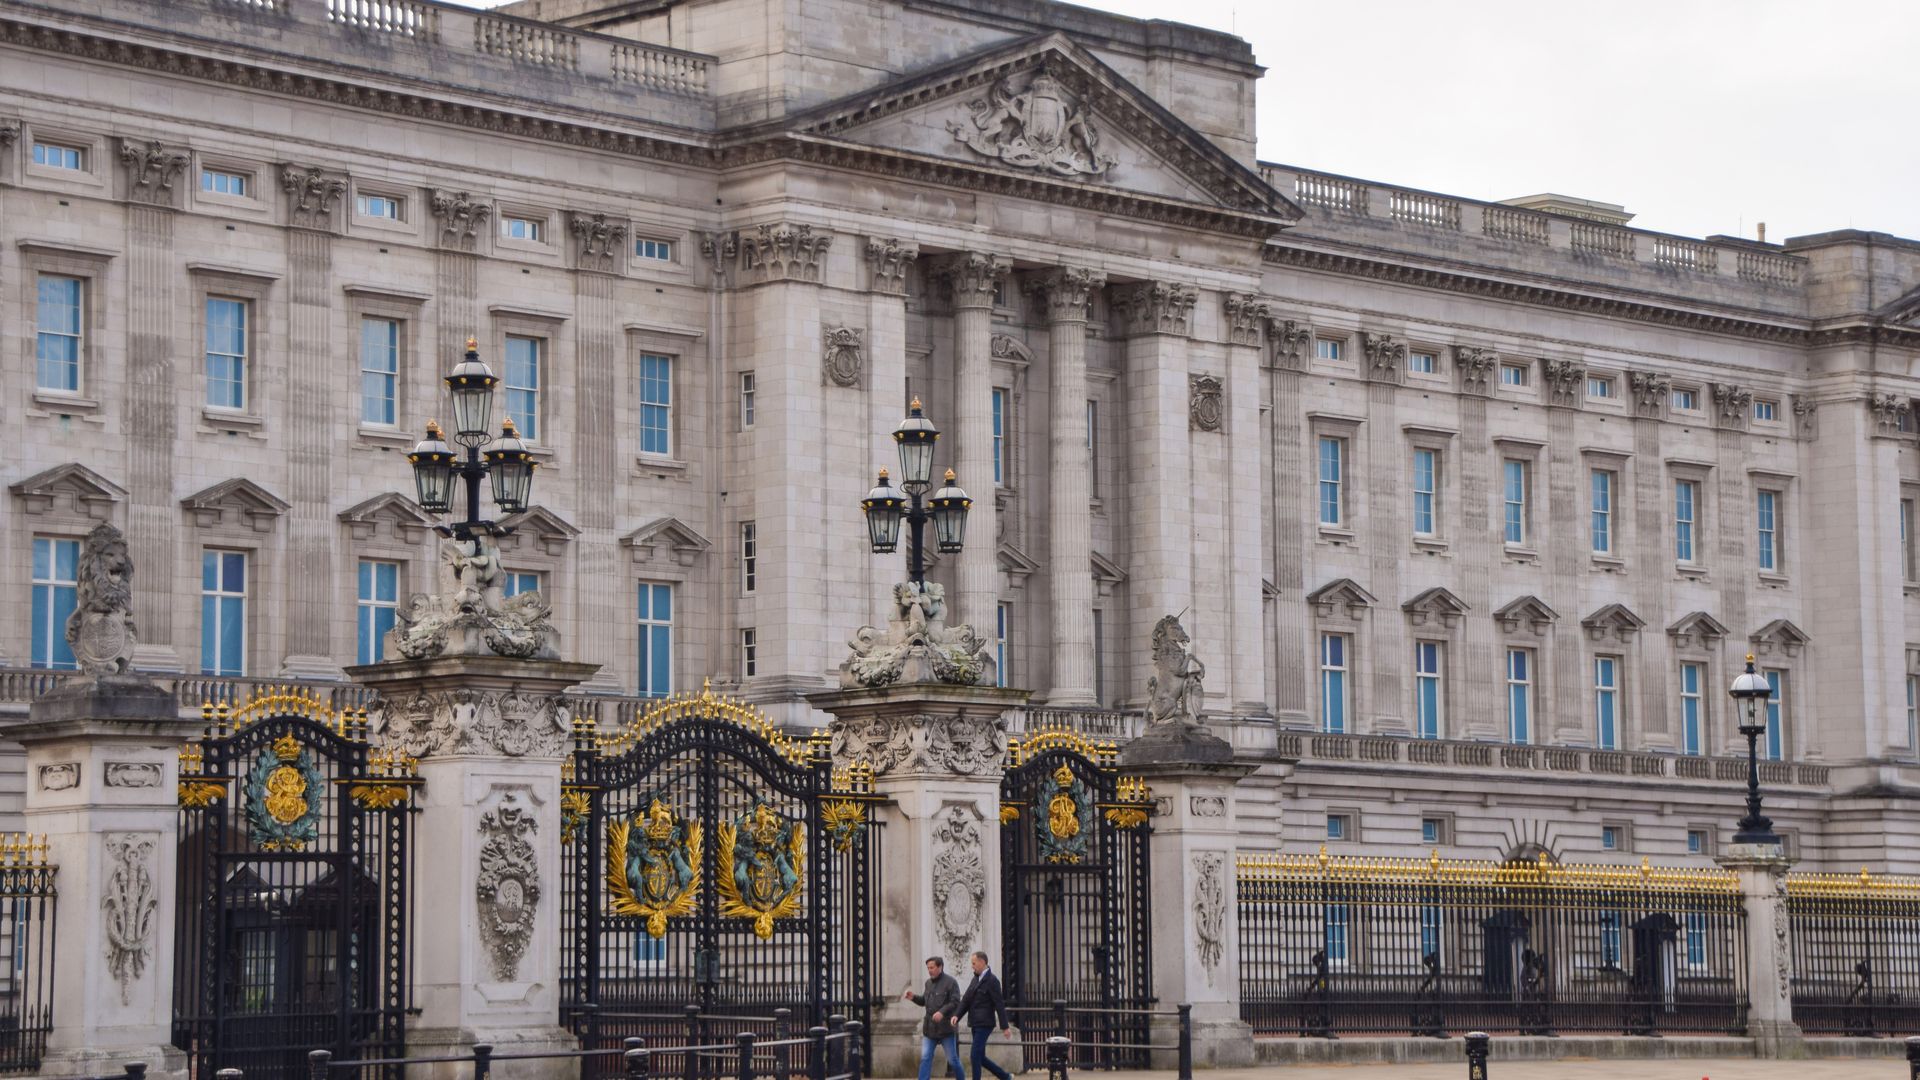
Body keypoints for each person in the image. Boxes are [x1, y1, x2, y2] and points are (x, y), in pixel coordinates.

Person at [903, 956, 965, 1080]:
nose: (929, 970)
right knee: (925, 1057)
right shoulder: (928, 983)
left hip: (946, 1029)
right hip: (929, 1029)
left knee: (953, 1060)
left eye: (932, 967)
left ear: (940, 967)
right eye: (928, 968)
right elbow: (925, 1001)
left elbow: (955, 1002)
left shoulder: (951, 982)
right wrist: (914, 997)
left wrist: (942, 1012)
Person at [955, 950, 1012, 1080]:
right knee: (980, 1057)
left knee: (974, 1055)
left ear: (982, 962)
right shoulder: (975, 979)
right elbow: (966, 1000)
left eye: (974, 963)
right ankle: (1005, 1076)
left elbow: (999, 1004)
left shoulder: (992, 981)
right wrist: (956, 1016)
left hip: (985, 1024)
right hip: (975, 1023)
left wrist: (1005, 1027)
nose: (972, 966)